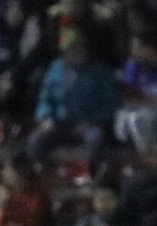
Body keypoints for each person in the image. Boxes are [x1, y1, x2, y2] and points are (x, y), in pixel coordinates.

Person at [27, 31, 120, 159]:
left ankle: (90, 176)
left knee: (95, 140)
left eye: (78, 47)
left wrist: (93, 121)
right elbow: (45, 98)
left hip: (88, 123)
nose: (75, 52)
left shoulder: (100, 72)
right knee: (35, 140)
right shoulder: (55, 68)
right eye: (70, 49)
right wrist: (45, 117)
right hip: (58, 123)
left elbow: (111, 103)